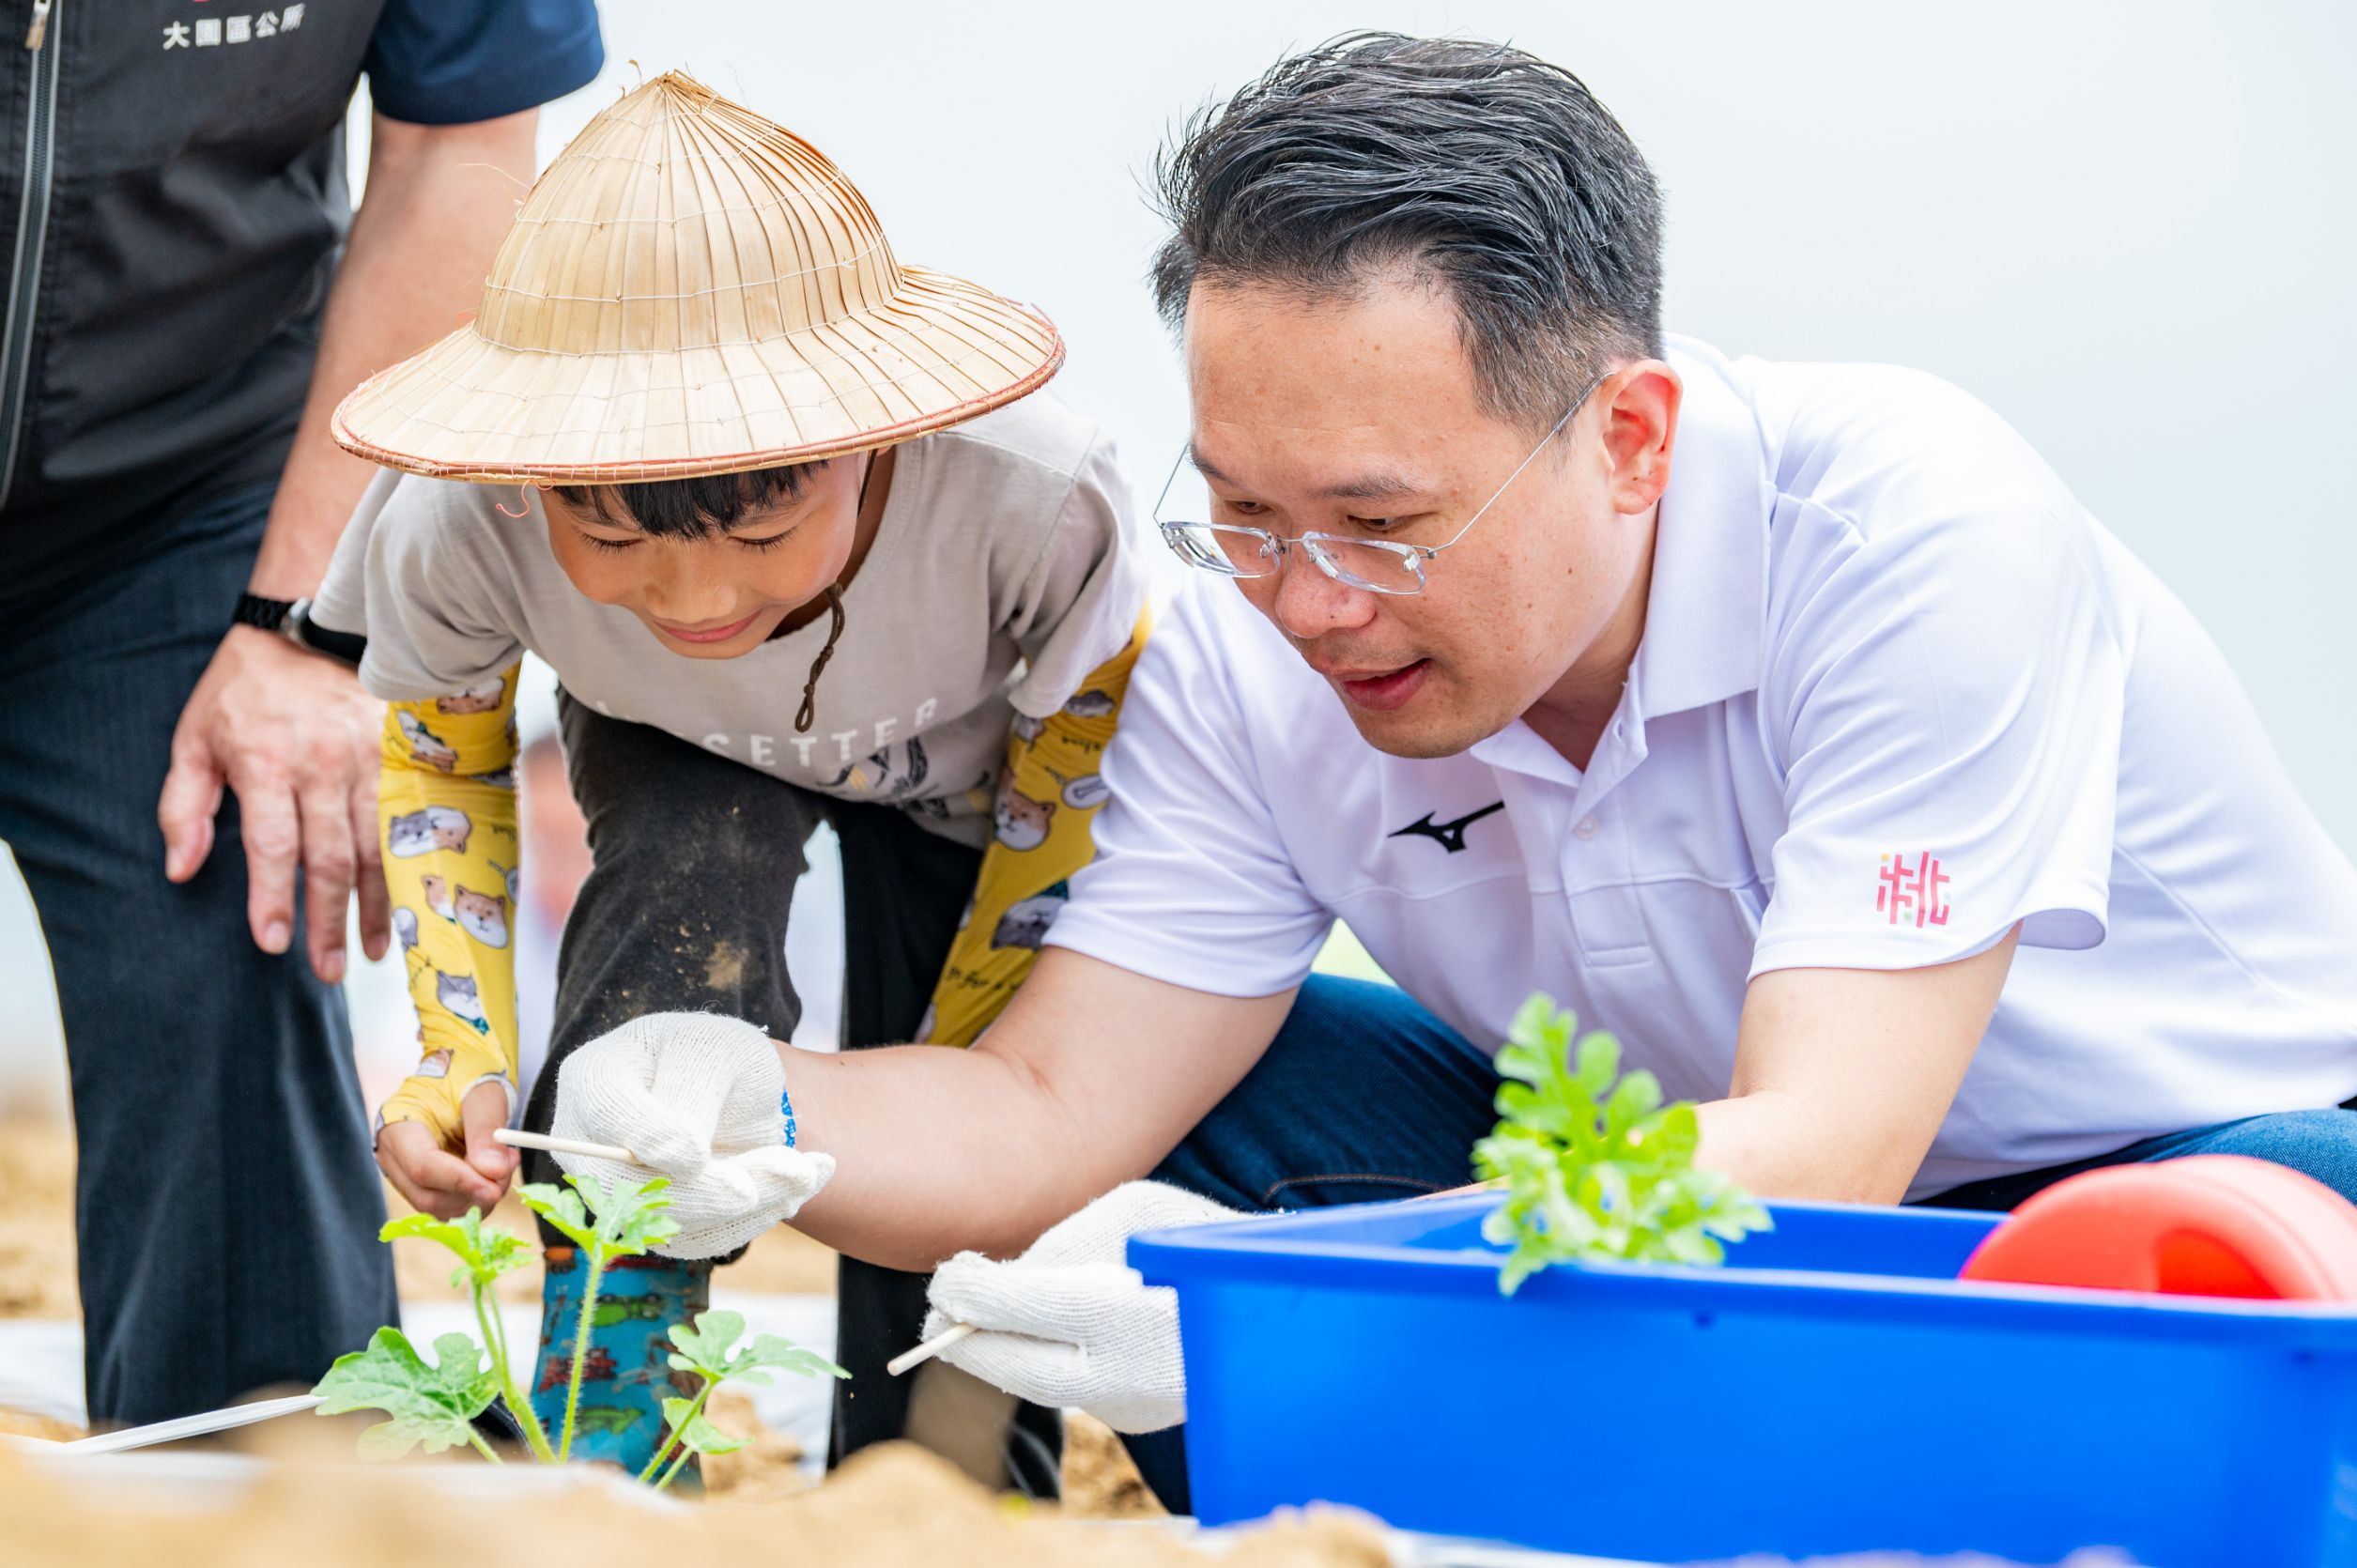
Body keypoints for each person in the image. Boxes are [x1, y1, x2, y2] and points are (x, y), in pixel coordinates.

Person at [547, 32, 2357, 1510]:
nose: (1310, 604)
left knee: (2272, 1221)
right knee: (1232, 1101)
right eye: (1242, 515)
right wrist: (745, 1104)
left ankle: (1537, 1440)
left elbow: (1828, 1153)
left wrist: (1288, 1305)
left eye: (1380, 523)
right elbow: (1045, 1115)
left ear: (1630, 437)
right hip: (1658, 1217)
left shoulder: (1908, 533)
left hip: (2122, 1198)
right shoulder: (1238, 644)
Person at [309, 74, 1146, 1483]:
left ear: (873, 436)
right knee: (676, 933)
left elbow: (1066, 790)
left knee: (950, 1103)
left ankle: (945, 1471)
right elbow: (443, 756)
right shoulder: (461, 513)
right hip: (677, 746)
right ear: (537, 479)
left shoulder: (1033, 501)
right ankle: (614, 1420)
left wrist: (972, 1077)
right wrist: (460, 1054)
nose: (697, 596)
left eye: (762, 523)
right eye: (614, 535)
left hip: (977, 789)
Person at [0, 2, 601, 1426]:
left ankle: (254, 1476)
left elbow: (459, 151)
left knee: (240, 921)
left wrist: (301, 628)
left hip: (177, 489)